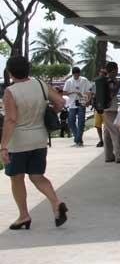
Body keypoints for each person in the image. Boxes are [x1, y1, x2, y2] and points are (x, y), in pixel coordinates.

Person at [2, 56, 69, 230]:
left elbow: (11, 119)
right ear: (28, 69)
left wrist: (3, 146)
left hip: (19, 142)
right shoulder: (40, 84)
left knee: (17, 178)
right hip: (39, 138)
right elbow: (61, 101)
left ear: (10, 72)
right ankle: (56, 203)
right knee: (37, 176)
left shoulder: (11, 91)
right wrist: (51, 112)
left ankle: (24, 216)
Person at [97, 62, 120, 164]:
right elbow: (112, 94)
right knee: (117, 132)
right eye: (117, 70)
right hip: (110, 109)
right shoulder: (110, 81)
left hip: (104, 109)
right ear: (114, 70)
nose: (117, 72)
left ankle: (109, 155)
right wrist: (118, 85)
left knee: (107, 133)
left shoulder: (103, 80)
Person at [63, 66, 92, 147]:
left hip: (82, 102)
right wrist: (74, 92)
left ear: (79, 74)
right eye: (75, 75)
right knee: (71, 121)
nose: (76, 76)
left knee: (81, 121)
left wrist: (89, 100)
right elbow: (64, 92)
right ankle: (78, 138)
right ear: (73, 74)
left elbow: (89, 91)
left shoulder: (84, 80)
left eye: (78, 75)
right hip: (72, 103)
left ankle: (78, 139)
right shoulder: (69, 81)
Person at [91, 69, 107, 147]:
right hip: (97, 107)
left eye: (103, 73)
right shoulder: (95, 84)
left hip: (106, 108)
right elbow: (93, 94)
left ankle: (106, 140)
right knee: (98, 125)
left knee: (106, 126)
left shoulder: (107, 83)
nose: (101, 74)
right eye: (101, 73)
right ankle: (101, 140)